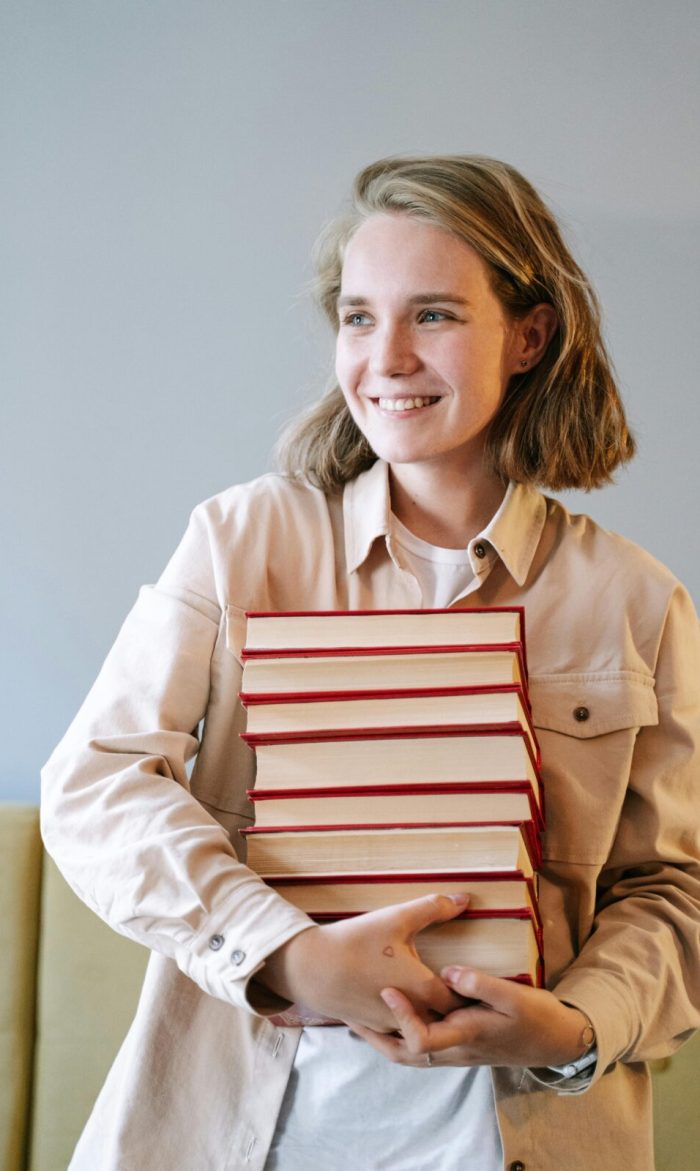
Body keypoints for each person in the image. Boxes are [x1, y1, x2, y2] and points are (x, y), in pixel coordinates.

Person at [41, 156, 700, 1171]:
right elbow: (93, 784)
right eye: (357, 317)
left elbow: (673, 890)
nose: (384, 357)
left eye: (431, 314)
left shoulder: (633, 599)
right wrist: (289, 954)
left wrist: (570, 1031)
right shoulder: (239, 540)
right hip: (237, 1141)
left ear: (529, 335)